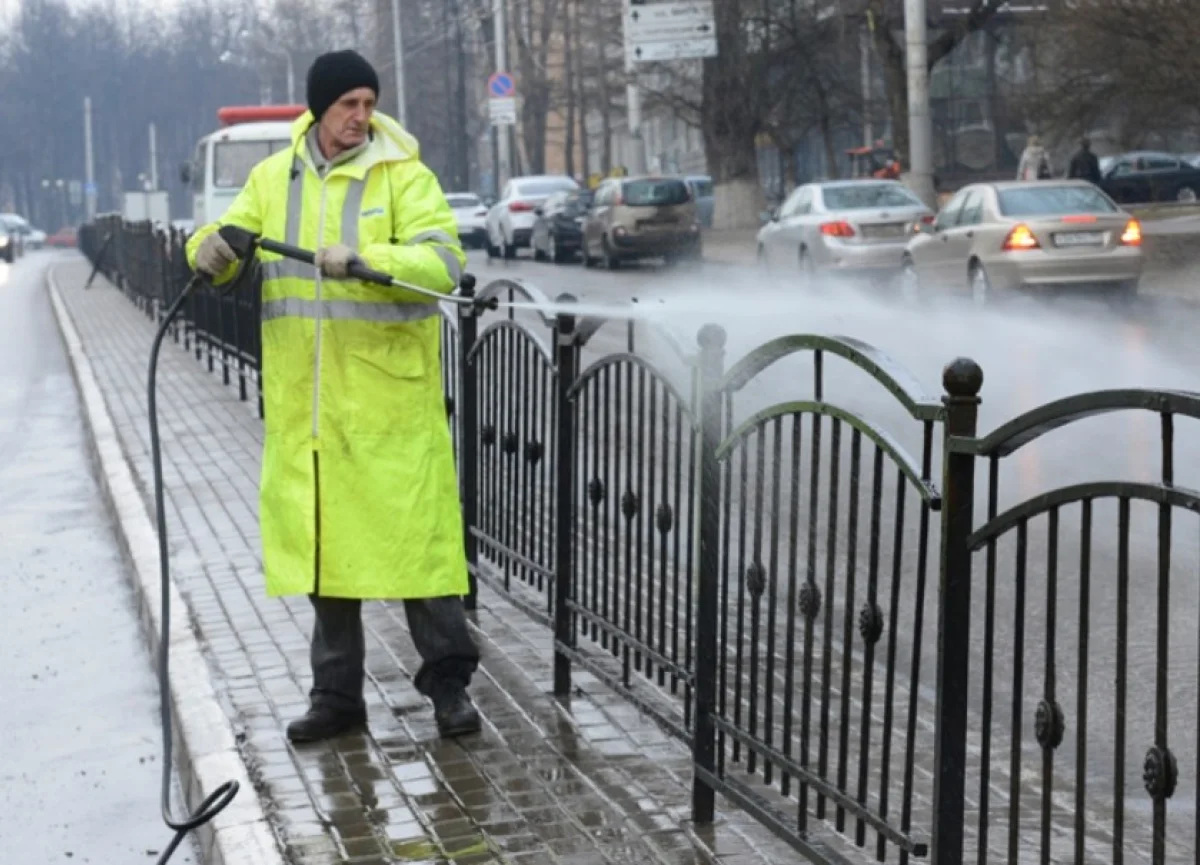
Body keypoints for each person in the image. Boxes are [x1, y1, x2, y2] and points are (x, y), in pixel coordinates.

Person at [185, 49, 481, 743]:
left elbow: (443, 262)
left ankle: (450, 689)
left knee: (420, 556)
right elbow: (222, 241)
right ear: (320, 108)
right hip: (311, 410)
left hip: (389, 411)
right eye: (349, 104)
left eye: (369, 103)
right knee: (327, 559)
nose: (361, 116)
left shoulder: (403, 175)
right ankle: (336, 697)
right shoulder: (273, 179)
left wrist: (371, 262)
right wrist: (209, 251)